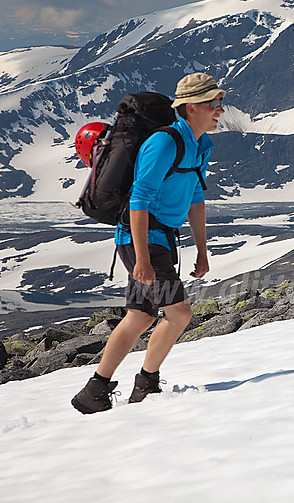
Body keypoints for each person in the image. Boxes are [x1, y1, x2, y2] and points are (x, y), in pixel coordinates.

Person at [72, 72, 223, 414]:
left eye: (220, 102)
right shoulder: (165, 142)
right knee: (180, 312)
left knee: (140, 316)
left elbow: (196, 197)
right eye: (212, 103)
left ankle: (94, 391)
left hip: (160, 239)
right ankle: (147, 386)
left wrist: (201, 249)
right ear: (189, 108)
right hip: (141, 239)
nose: (219, 110)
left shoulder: (200, 145)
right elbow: (139, 199)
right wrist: (141, 258)